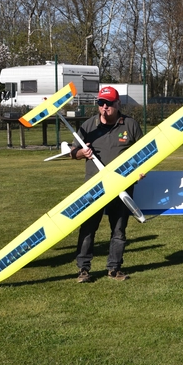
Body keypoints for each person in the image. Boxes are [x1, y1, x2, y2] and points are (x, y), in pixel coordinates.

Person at [71, 86, 144, 282]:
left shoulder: (130, 125)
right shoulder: (88, 126)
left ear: (117, 103)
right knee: (88, 228)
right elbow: (73, 152)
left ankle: (114, 268)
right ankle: (83, 269)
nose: (104, 107)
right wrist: (81, 153)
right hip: (93, 187)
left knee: (118, 229)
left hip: (121, 186)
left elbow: (144, 151)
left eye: (109, 103)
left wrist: (141, 170)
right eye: (101, 103)